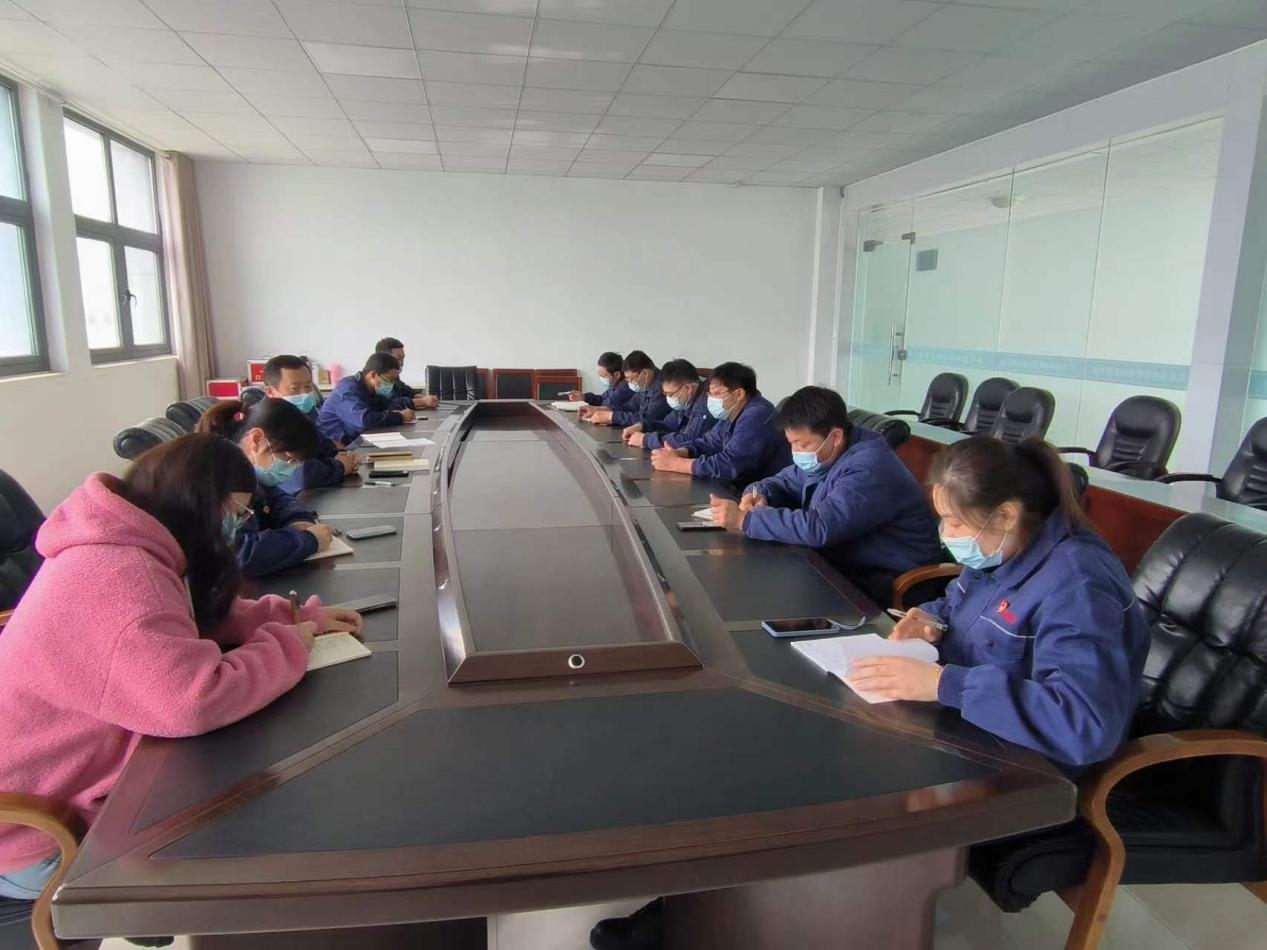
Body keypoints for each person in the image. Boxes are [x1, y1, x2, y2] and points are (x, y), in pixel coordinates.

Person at [0, 435, 364, 900]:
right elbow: (193, 701)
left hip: (66, 781)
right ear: (200, 505)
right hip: (36, 833)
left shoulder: (126, 546)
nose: (235, 526)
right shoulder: (121, 577)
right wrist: (288, 644)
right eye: (234, 513)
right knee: (231, 858)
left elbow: (189, 614)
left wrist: (290, 617)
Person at [849, 436, 1151, 771]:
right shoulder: (1001, 548)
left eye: (956, 522)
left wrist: (944, 684)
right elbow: (960, 604)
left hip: (1033, 769)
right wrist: (932, 621)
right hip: (971, 726)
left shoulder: (1079, 587)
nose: (946, 534)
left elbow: (1083, 726)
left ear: (1006, 515)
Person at [708, 386, 941, 605]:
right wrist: (758, 494)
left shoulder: (870, 466)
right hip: (840, 565)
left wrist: (745, 520)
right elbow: (782, 481)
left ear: (835, 437)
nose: (796, 453)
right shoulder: (827, 455)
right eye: (791, 444)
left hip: (883, 582)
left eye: (802, 444)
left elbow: (820, 527)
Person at [197, 398, 331, 578]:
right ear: (257, 439)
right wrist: (309, 540)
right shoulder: (219, 477)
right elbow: (240, 554)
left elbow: (279, 498)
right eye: (289, 459)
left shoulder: (250, 472)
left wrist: (297, 520)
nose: (293, 468)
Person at [650, 362, 790, 485]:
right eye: (710, 394)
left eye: (717, 394)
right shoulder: (731, 412)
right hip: (740, 486)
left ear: (739, 394)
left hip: (760, 493)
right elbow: (708, 443)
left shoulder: (757, 414)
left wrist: (676, 464)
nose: (711, 399)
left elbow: (730, 464)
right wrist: (680, 452)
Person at [262, 354, 359, 490]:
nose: (304, 394)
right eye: (294, 388)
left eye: (308, 386)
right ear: (270, 392)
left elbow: (319, 447)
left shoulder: (304, 412)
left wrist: (343, 456)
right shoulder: (266, 424)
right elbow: (300, 476)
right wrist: (340, 466)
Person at [317, 352, 416, 445]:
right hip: (335, 446)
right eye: (389, 380)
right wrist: (400, 416)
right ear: (373, 375)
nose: (391, 385)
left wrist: (405, 408)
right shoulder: (348, 389)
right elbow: (364, 420)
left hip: (356, 440)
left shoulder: (370, 390)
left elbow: (387, 404)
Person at [623, 358, 714, 450]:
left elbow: (689, 439)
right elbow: (668, 424)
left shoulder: (705, 404)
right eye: (665, 394)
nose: (668, 398)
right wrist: (642, 426)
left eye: (670, 394)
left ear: (688, 389)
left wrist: (646, 440)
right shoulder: (686, 400)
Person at [579, 350, 670, 428]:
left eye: (631, 378)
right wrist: (602, 409)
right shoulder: (646, 384)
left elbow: (648, 419)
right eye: (627, 379)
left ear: (645, 374)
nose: (629, 382)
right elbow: (630, 406)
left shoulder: (662, 388)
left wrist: (612, 417)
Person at [375, 337, 439, 410]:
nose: (402, 363)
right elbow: (390, 404)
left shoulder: (393, 376)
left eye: (403, 358)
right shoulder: (376, 378)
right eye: (398, 358)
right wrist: (422, 402)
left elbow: (405, 390)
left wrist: (418, 396)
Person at [566, 351, 635, 412]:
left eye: (603, 375)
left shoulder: (625, 387)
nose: (601, 378)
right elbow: (601, 399)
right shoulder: (615, 383)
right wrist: (584, 397)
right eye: (599, 374)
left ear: (617, 374)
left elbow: (605, 405)